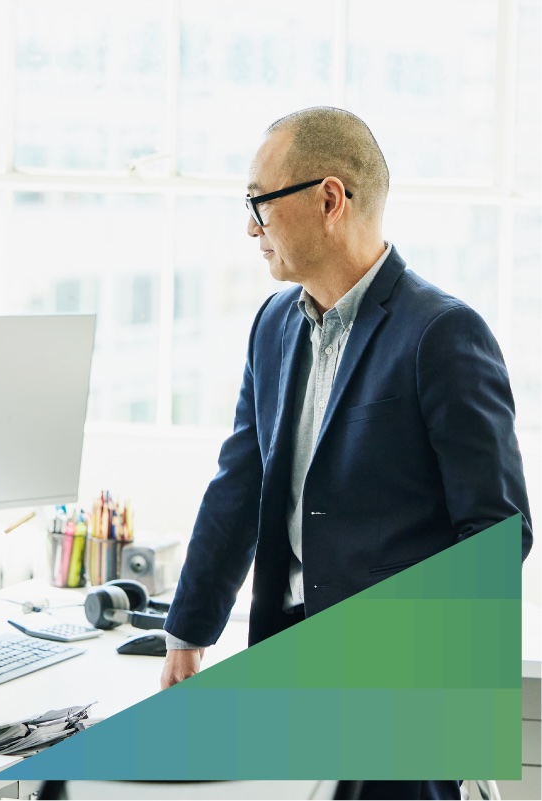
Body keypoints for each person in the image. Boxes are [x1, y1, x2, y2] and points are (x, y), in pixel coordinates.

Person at [160, 107, 533, 800]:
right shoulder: (272, 324)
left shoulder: (441, 333)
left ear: (329, 199)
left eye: (258, 204)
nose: (249, 226)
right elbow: (240, 483)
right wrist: (188, 626)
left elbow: (497, 530)